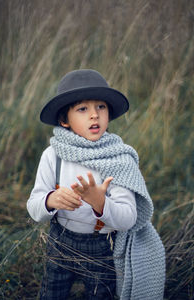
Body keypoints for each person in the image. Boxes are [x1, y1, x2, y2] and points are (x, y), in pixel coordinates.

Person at [27, 69, 165, 300]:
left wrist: (101, 204)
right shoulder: (53, 155)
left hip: (101, 246)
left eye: (101, 107)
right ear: (64, 120)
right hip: (60, 240)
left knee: (101, 294)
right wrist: (50, 200)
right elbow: (34, 208)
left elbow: (128, 218)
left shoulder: (118, 159)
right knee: (52, 293)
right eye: (82, 109)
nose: (94, 115)